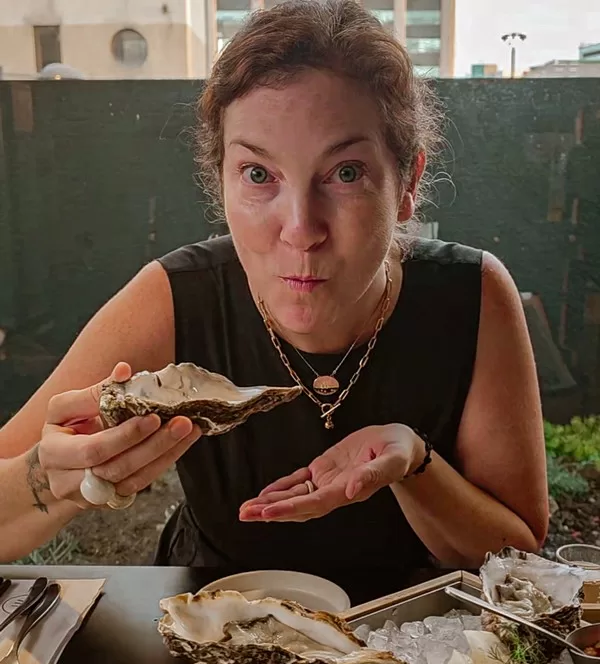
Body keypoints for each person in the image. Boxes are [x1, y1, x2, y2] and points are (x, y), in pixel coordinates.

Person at [0, 0, 547, 603]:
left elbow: (519, 554)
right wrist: (50, 482)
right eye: (259, 175)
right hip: (210, 620)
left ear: (409, 182)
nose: (300, 228)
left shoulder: (471, 295)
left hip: (407, 640)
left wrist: (415, 464)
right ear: (223, 181)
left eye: (345, 173)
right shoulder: (177, 296)